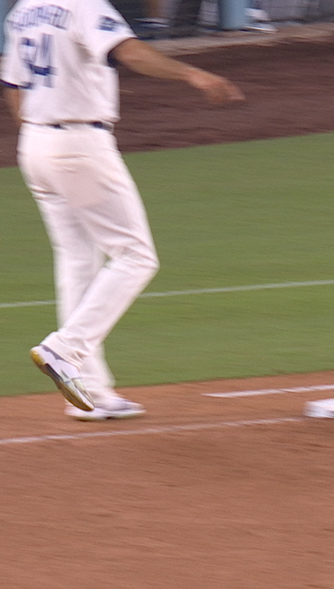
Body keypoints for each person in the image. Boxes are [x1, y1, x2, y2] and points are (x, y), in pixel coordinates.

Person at [3, 0, 243, 419]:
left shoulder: (22, 10)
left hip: (35, 144)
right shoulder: (83, 4)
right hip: (79, 144)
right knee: (135, 256)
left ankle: (89, 393)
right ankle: (64, 349)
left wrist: (39, 136)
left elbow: (11, 83)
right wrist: (193, 73)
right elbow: (129, 52)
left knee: (79, 260)